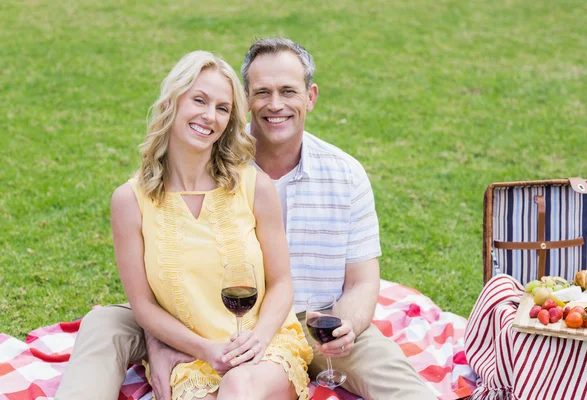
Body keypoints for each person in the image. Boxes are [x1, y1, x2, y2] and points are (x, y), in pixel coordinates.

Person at [56, 39, 437, 400]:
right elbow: (152, 293)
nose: (275, 105)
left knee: (390, 376)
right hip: (191, 321)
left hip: (303, 321)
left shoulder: (336, 175)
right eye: (262, 93)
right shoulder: (198, 168)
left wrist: (346, 326)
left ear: (311, 96)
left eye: (288, 91)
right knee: (103, 324)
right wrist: (160, 344)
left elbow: (362, 281)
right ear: (248, 103)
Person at [56, 50, 313, 400]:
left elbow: (282, 281)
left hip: (265, 346)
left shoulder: (254, 186)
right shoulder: (130, 202)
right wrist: (205, 350)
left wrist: (259, 339)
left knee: (239, 386)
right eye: (199, 100)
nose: (209, 116)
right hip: (193, 357)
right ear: (173, 101)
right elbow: (143, 306)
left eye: (222, 108)